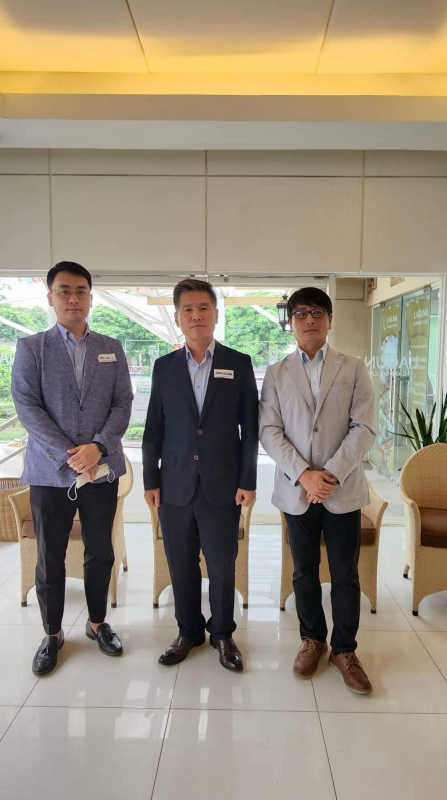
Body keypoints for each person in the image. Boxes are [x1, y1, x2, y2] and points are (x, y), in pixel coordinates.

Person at [11, 261, 133, 676]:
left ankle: (98, 623)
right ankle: (52, 633)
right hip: (50, 473)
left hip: (101, 469)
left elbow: (123, 403)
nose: (73, 298)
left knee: (100, 551)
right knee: (50, 556)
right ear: (50, 297)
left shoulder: (111, 347)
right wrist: (71, 454)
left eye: (81, 291)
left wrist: (97, 447)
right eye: (64, 290)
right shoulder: (31, 348)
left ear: (91, 298)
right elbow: (27, 407)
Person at [259, 287, 376, 693]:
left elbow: (364, 427)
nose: (309, 319)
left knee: (345, 573)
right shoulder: (276, 373)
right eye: (300, 313)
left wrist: (330, 474)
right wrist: (303, 475)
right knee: (304, 571)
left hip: (342, 490)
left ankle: (344, 650)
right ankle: (312, 639)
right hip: (296, 491)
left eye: (317, 312)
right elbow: (269, 430)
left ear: (329, 319)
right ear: (290, 322)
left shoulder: (354, 367)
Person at [143, 278, 258, 672]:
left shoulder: (238, 364)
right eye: (188, 309)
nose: (196, 316)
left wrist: (247, 480)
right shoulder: (163, 367)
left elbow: (250, 429)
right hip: (173, 485)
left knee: (222, 563)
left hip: (222, 485)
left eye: (203, 308)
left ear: (216, 314)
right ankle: (188, 631)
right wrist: (150, 479)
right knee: (181, 562)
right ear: (178, 318)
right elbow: (153, 429)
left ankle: (223, 634)